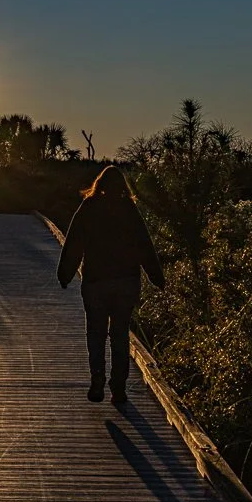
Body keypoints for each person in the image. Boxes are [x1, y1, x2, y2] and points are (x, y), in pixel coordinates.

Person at [57, 165, 164, 404]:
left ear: (100, 184)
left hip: (96, 281)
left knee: (95, 333)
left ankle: (97, 379)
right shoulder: (129, 209)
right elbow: (144, 246)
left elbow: (74, 242)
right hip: (126, 282)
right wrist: (156, 276)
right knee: (119, 334)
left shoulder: (89, 207)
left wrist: (65, 274)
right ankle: (118, 388)